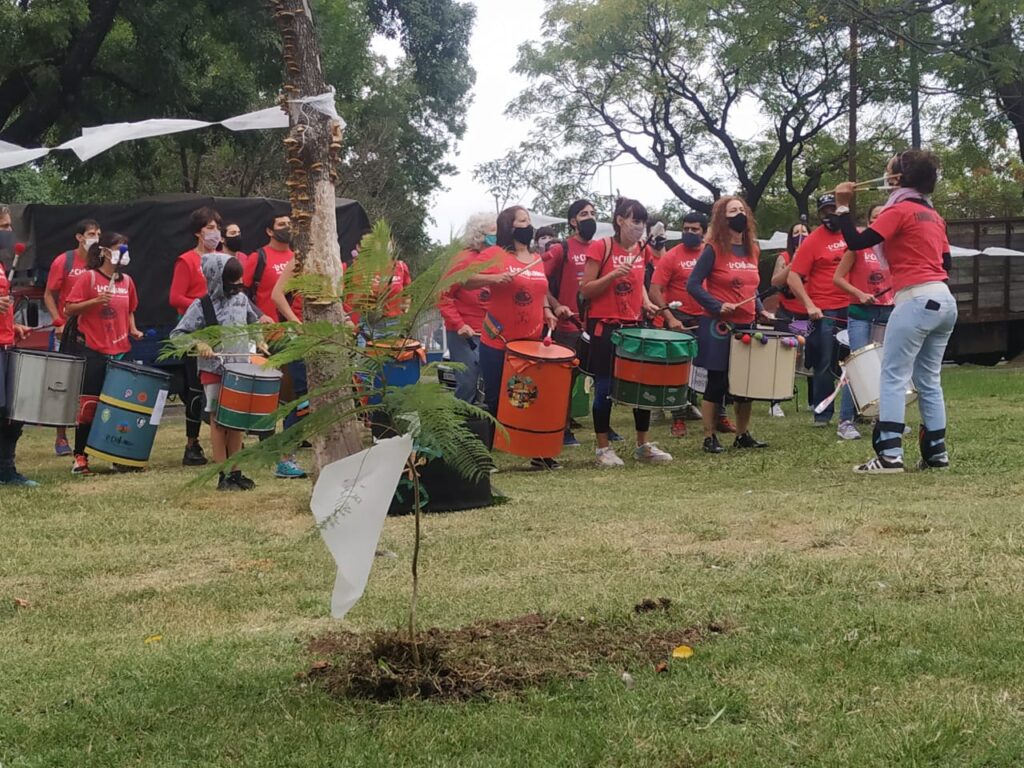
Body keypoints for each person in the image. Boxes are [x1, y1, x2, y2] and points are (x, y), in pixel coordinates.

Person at [834, 150, 956, 473]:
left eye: (890, 167)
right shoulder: (934, 215)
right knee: (929, 379)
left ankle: (889, 455)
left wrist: (843, 205)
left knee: (892, 376)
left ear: (897, 178)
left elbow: (856, 244)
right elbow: (946, 265)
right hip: (944, 300)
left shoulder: (898, 210)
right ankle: (936, 454)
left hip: (915, 300)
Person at [472, 205, 568, 470]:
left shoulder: (536, 257)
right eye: (522, 221)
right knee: (495, 399)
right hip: (499, 341)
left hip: (532, 343)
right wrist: (495, 277)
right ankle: (485, 458)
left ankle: (539, 453)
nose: (528, 226)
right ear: (509, 227)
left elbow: (540, 291)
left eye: (529, 221)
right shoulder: (495, 255)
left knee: (532, 397)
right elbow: (465, 280)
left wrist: (548, 310)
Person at [580, 197, 673, 467]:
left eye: (643, 222)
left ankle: (643, 444)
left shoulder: (642, 251)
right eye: (635, 221)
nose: (639, 227)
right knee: (605, 387)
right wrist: (612, 276)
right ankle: (603, 449)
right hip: (606, 327)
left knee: (641, 386)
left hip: (634, 328)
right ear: (620, 220)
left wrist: (646, 304)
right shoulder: (602, 247)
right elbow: (585, 289)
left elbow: (639, 283)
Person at [171, 254, 272, 491]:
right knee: (218, 420)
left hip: (239, 367)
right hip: (214, 370)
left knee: (235, 420)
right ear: (217, 279)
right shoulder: (201, 305)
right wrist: (198, 344)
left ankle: (236, 471)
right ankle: (222, 473)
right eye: (232, 281)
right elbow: (178, 334)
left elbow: (252, 321)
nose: (238, 285)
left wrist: (259, 339)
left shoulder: (241, 299)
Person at [686, 196, 771, 454]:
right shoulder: (713, 248)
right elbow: (692, 284)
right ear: (722, 218)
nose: (739, 215)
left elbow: (752, 287)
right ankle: (709, 436)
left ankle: (742, 434)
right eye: (733, 211)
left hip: (747, 324)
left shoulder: (753, 249)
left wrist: (760, 309)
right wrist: (715, 305)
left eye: (742, 210)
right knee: (717, 381)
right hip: (718, 325)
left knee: (746, 383)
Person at [64, 233, 144, 475]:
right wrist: (96, 301)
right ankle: (80, 457)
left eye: (126, 248)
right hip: (94, 350)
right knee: (89, 406)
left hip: (120, 352)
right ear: (105, 251)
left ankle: (115, 455)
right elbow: (70, 307)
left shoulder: (127, 281)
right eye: (120, 248)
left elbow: (130, 309)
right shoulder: (89, 278)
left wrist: (133, 329)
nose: (124, 253)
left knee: (120, 407)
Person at [242, 214, 308, 480]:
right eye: (282, 224)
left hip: (323, 336)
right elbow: (265, 295)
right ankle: (282, 455)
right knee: (291, 396)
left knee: (315, 396)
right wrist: (291, 322)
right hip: (279, 336)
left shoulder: (331, 259)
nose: (288, 229)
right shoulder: (271, 258)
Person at [649, 212, 723, 438]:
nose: (689, 233)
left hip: (709, 318)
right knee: (678, 372)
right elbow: (654, 291)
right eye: (686, 228)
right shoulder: (671, 256)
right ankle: (678, 419)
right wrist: (671, 318)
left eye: (694, 229)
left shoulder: (712, 253)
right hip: (680, 318)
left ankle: (720, 416)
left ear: (704, 231)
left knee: (715, 370)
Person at [786, 194, 855, 437]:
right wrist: (808, 305)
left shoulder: (852, 233)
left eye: (834, 209)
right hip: (825, 310)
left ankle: (859, 411)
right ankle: (822, 412)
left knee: (856, 361)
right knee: (825, 362)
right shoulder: (812, 241)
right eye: (825, 210)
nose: (830, 214)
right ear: (819, 214)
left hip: (854, 305)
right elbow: (793, 276)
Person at [544, 199, 602, 447]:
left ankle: (604, 426)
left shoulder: (602, 248)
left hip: (596, 324)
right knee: (565, 380)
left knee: (602, 377)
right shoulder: (561, 249)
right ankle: (562, 428)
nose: (589, 218)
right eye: (583, 214)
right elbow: (538, 280)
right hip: (568, 326)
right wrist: (556, 306)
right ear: (572, 221)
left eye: (592, 213)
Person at [169, 207, 223, 467]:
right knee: (195, 389)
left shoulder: (222, 259)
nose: (215, 232)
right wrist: (202, 306)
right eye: (210, 227)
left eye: (217, 227)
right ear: (198, 232)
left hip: (221, 333)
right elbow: (174, 297)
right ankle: (192, 445)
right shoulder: (187, 261)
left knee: (222, 387)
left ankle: (226, 437)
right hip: (195, 333)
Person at [43, 218, 101, 457]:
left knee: (91, 386)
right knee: (64, 385)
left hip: (93, 334)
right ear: (79, 237)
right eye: (90, 233)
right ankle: (61, 437)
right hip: (67, 332)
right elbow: (48, 294)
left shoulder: (100, 261)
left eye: (98, 233)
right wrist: (57, 320)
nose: (95, 238)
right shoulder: (64, 261)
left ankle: (92, 436)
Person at [833, 203, 893, 389]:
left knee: (883, 364)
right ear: (869, 222)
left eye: (883, 215)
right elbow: (837, 278)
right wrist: (859, 294)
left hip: (887, 311)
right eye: (875, 216)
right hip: (860, 312)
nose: (879, 219)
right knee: (858, 363)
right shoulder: (857, 246)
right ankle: (846, 417)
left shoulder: (895, 247)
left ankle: (876, 413)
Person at [437, 212, 495, 404]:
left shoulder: (497, 258)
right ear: (479, 234)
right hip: (465, 333)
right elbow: (443, 295)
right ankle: (463, 425)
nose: (497, 236)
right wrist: (458, 324)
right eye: (492, 232)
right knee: (468, 382)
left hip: (491, 332)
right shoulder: (463, 260)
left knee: (490, 383)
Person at [768, 220, 812, 417]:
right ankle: (775, 401)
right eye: (796, 232)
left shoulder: (815, 256)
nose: (800, 235)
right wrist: (794, 263)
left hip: (808, 313)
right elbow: (775, 282)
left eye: (804, 232)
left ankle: (813, 401)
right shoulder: (783, 257)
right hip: (786, 313)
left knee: (810, 357)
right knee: (783, 357)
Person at [0, 255, 36, 486]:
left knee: (11, 414)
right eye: (3, 227)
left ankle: (6, 469)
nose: (8, 231)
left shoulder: (2, 265)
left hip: (6, 345)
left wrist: (13, 326)